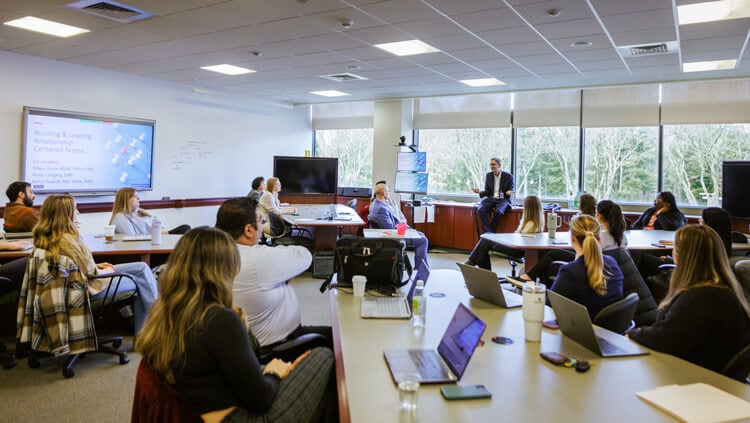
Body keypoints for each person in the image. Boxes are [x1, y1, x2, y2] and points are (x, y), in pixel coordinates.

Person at [135, 226, 334, 422]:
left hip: (201, 408)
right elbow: (260, 400)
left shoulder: (162, 312)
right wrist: (274, 372)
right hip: (238, 417)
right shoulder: (219, 319)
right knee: (324, 355)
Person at [629, 225, 750, 376]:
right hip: (715, 380)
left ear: (680, 256)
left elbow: (663, 340)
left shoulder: (696, 299)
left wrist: (634, 334)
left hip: (694, 380)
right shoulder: (727, 291)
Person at [214, 197, 331, 351]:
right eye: (261, 221)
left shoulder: (216, 254)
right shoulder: (257, 260)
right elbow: (305, 255)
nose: (263, 226)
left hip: (246, 345)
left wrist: (280, 274)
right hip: (279, 347)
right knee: (339, 340)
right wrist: (285, 271)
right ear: (248, 230)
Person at [33, 194, 159, 332]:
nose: (78, 212)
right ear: (65, 214)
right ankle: (156, 324)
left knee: (141, 268)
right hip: (89, 288)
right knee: (141, 279)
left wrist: (96, 266)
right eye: (75, 209)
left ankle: (147, 329)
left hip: (72, 285)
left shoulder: (50, 236)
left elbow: (75, 266)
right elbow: (89, 274)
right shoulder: (67, 240)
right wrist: (105, 271)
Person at [549, 214, 624, 319]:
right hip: (609, 331)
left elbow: (549, 307)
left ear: (572, 239)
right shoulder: (612, 263)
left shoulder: (570, 272)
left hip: (579, 332)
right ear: (599, 239)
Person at [370, 182, 430, 282]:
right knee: (423, 240)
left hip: (392, 233)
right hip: (394, 237)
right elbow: (390, 228)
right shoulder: (381, 208)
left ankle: (422, 267)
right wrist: (404, 227)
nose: (389, 193)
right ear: (384, 193)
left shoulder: (377, 204)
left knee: (422, 235)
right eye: (388, 191)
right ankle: (420, 268)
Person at [465, 195, 543, 270]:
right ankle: (483, 270)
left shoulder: (531, 224)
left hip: (516, 250)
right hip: (516, 247)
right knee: (486, 238)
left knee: (486, 241)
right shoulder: (535, 222)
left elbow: (518, 239)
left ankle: (471, 263)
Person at [109, 188, 190, 235]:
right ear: (126, 200)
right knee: (185, 231)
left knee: (185, 228)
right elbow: (131, 237)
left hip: (160, 238)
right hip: (147, 245)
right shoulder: (120, 217)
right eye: (135, 197)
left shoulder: (140, 212)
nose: (139, 198)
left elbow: (160, 226)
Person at [472, 157, 514, 233]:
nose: (491, 166)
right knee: (480, 209)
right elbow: (487, 192)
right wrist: (480, 192)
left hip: (502, 199)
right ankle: (490, 232)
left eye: (493, 164)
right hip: (491, 198)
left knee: (499, 212)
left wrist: (509, 192)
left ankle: (489, 232)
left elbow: (510, 189)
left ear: (499, 165)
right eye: (491, 164)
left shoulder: (508, 176)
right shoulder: (489, 175)